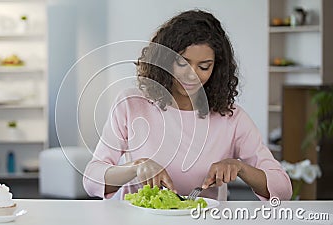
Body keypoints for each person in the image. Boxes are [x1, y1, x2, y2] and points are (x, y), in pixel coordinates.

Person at [83, 9, 292, 201]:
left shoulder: (232, 118)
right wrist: (136, 168)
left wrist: (240, 168)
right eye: (182, 63)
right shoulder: (131, 104)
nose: (191, 75)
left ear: (216, 69)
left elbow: (283, 189)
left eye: (203, 66)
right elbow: (91, 180)